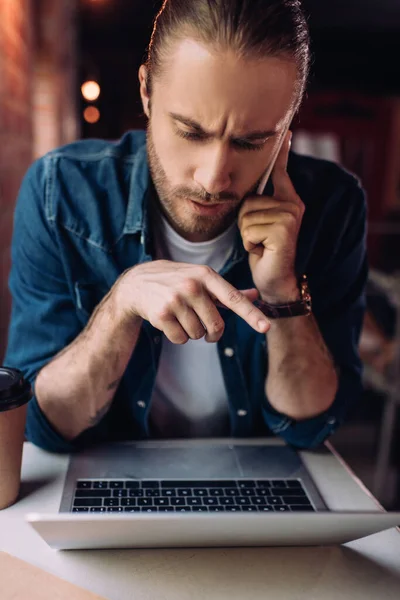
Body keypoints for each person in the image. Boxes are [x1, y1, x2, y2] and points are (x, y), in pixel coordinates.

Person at [4, 0, 367, 453]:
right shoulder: (61, 193)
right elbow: (43, 426)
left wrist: (283, 292)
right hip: (109, 486)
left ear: (286, 127)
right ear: (146, 93)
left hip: (260, 497)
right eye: (191, 132)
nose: (213, 178)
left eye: (250, 141)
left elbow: (312, 425)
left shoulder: (333, 205)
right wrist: (121, 307)